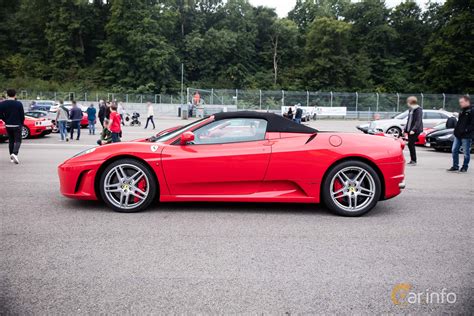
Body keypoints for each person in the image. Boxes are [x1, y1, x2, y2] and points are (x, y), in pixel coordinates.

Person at [448, 96, 474, 173]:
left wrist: (465, 130)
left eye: (461, 102)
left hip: (466, 135)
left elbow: (472, 124)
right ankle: (455, 166)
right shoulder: (463, 111)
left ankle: (464, 167)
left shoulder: (472, 111)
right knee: (454, 150)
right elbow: (460, 122)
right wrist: (456, 131)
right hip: (458, 134)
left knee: (466, 152)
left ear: (467, 101)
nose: (460, 104)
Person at [0, 89, 24, 164]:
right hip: (17, 125)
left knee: (11, 141)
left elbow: (0, 115)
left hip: (8, 125)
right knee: (18, 141)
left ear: (7, 95)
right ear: (15, 95)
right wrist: (21, 123)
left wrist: (5, 120)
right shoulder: (18, 104)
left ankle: (11, 157)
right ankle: (15, 153)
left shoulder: (2, 104)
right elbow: (22, 115)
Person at [404, 96, 423, 166]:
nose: (407, 103)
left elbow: (418, 121)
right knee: (410, 144)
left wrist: (414, 129)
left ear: (411, 102)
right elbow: (409, 120)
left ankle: (414, 160)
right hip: (410, 130)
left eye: (408, 102)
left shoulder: (418, 110)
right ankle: (412, 160)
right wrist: (405, 129)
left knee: (411, 144)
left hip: (415, 130)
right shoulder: (411, 110)